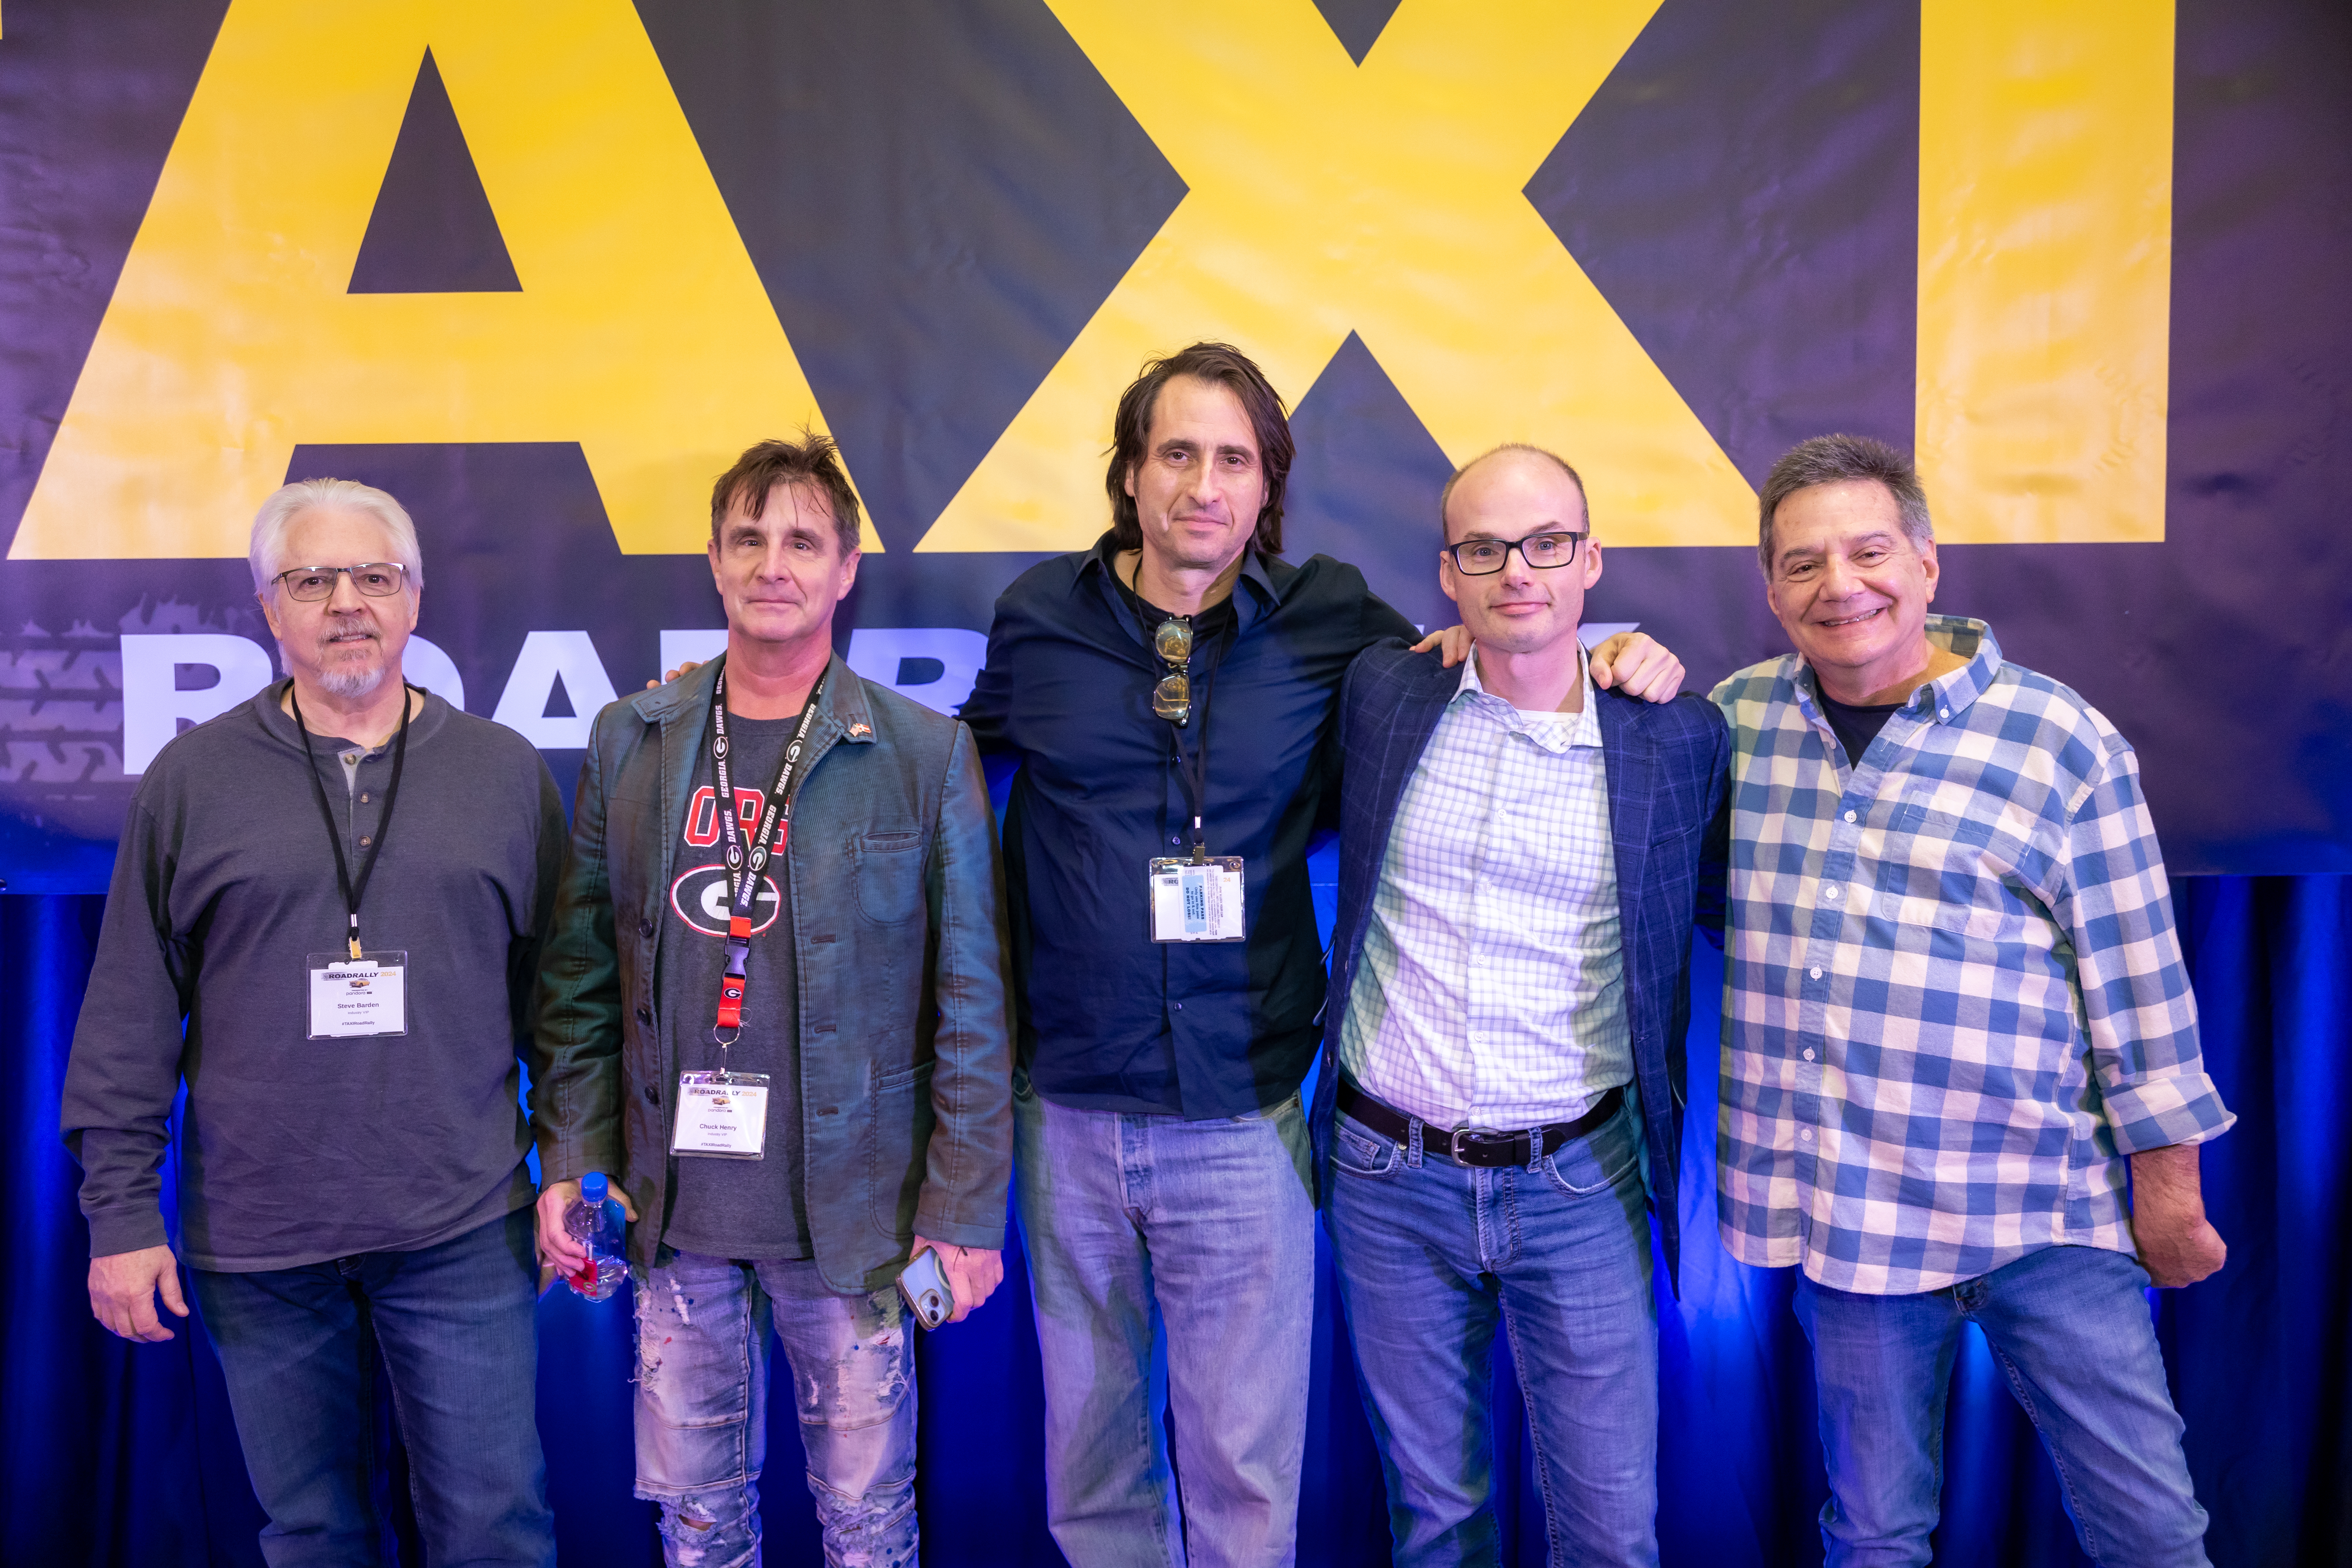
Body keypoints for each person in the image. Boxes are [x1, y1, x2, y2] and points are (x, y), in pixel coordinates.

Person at [958, 342, 1683, 1567]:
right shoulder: (1040, 616)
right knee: (1092, 1458)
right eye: (1175, 453)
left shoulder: (1332, 619)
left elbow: (1493, 662)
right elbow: (949, 772)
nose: (1203, 484)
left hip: (1246, 1112)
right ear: (1130, 475)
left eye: (1233, 459)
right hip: (1067, 1108)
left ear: (1267, 484)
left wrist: (1615, 664)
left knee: (1247, 1470)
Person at [1710, 434, 2234, 1567]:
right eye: (1803, 564)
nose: (1840, 585)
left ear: (1929, 564)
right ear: (1770, 588)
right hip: (1854, 1228)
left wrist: (2171, 1199)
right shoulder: (1734, 725)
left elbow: (2142, 988)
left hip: (2047, 1214)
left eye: (1868, 551)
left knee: (2150, 1530)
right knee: (1874, 1538)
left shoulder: (2061, 742)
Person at [62, 478, 566, 1565]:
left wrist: (573, 1162)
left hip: (462, 1230)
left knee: (495, 1529)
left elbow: (560, 1007)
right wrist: (119, 1218)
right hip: (261, 1241)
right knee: (313, 1536)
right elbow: (127, 1018)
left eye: (373, 577)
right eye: (312, 579)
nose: (347, 601)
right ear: (267, 607)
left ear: (415, 600)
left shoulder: (505, 775)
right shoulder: (190, 783)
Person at [530, 434, 1014, 1566]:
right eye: (748, 538)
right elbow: (578, 977)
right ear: (713, 560)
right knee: (698, 1525)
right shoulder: (634, 739)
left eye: (803, 540)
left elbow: (974, 1002)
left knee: (868, 1527)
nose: (773, 564)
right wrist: (571, 1157)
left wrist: (966, 1204)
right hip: (672, 1206)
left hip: (855, 1212)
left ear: (847, 569)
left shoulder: (922, 753)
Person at [1313, 445, 1728, 1566]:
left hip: (1578, 1182)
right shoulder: (1385, 694)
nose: (1518, 572)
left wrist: (1631, 655)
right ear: (1448, 574)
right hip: (1386, 1177)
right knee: (1436, 1523)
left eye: (1547, 544)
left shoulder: (1677, 736)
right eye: (1485, 550)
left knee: (1609, 1532)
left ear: (1592, 561)